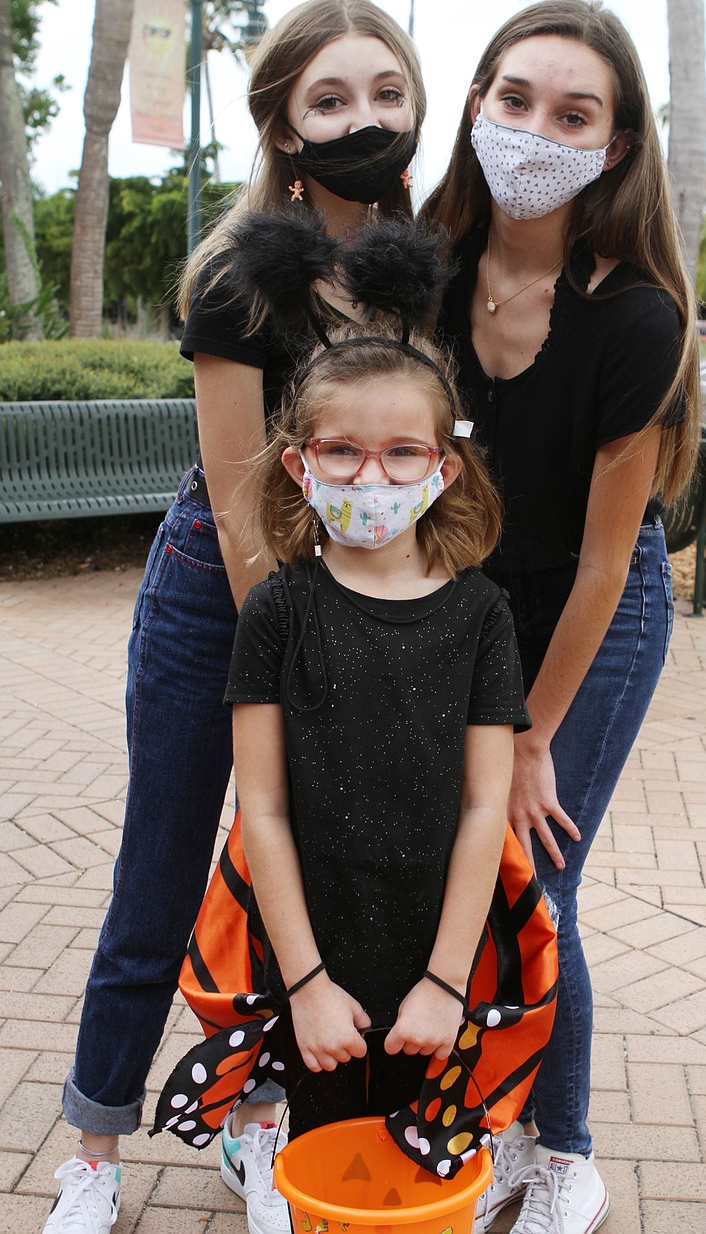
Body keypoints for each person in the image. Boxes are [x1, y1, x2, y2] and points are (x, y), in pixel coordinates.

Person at [43, 0, 427, 1234]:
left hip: (356, 605)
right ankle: (94, 1149)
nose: (361, 118)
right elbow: (241, 498)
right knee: (158, 876)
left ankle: (257, 1124)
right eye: (330, 98)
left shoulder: (422, 268)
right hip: (227, 594)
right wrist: (302, 665)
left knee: (284, 887)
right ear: (283, 120)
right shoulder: (238, 271)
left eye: (384, 92)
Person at [148, 216, 540, 1164]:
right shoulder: (278, 613)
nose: (374, 475)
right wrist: (307, 979)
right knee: (331, 1168)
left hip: (439, 968)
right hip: (316, 968)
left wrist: (448, 983)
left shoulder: (483, 615)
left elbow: (488, 805)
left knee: (425, 1175)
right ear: (299, 461)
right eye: (343, 453)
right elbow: (265, 809)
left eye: (404, 453)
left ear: (444, 468)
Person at [422, 0, 701, 1234]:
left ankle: (565, 1154)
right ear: (477, 102)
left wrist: (530, 736)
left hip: (596, 615)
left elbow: (599, 567)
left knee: (532, 874)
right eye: (515, 98)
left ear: (616, 147)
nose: (536, 129)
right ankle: (464, 1113)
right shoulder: (420, 274)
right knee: (448, 867)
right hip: (468, 613)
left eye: (573, 113)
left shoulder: (634, 318)